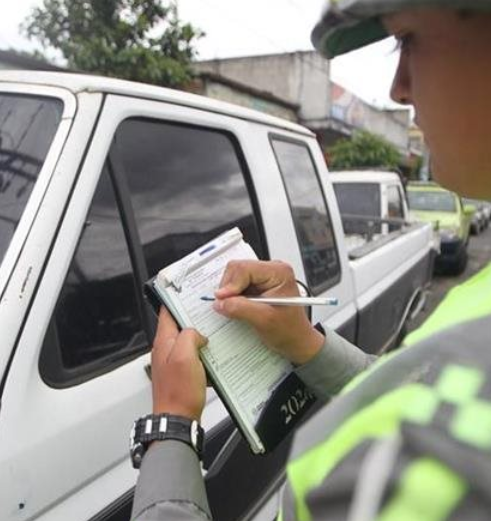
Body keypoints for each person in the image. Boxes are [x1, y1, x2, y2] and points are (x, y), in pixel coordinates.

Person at [129, 2, 491, 520]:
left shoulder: (441, 463)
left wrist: (170, 426)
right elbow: (414, 394)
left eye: (407, 39)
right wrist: (304, 342)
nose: (398, 87)